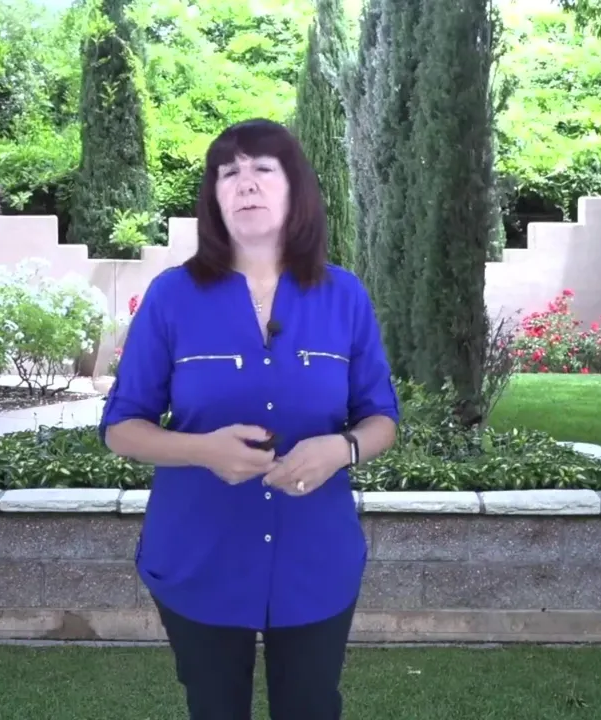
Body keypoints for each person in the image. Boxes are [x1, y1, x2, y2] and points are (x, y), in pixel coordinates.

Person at [98, 117, 401, 720]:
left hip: (315, 557)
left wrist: (341, 450)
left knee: (312, 708)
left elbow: (381, 418)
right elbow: (121, 426)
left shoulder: (344, 296)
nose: (246, 183)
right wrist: (202, 450)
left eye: (264, 168)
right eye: (228, 172)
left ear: (296, 189)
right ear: (214, 195)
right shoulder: (171, 296)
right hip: (199, 554)